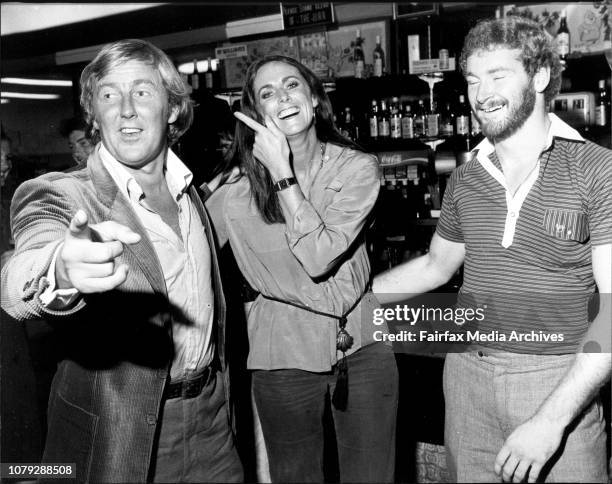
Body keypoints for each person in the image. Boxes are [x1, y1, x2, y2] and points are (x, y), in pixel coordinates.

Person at [374, 16, 611, 483]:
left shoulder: (596, 169)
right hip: (466, 381)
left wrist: (550, 420)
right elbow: (435, 267)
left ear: (540, 76)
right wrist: (352, 297)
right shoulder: (465, 177)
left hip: (558, 378)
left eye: (499, 75)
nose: (482, 94)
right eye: (473, 80)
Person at [0, 39, 243, 483]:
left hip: (213, 422)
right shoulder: (62, 192)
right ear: (94, 114)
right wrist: (60, 268)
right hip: (124, 437)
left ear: (172, 109)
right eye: (109, 95)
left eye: (143, 92)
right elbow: (23, 267)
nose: (126, 109)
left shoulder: (190, 195)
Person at [206, 55, 398, 483]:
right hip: (282, 351)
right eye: (267, 94)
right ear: (255, 113)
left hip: (361, 346)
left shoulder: (356, 167)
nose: (283, 98)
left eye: (292, 85)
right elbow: (185, 243)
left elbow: (317, 255)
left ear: (313, 97)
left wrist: (281, 174)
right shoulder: (235, 190)